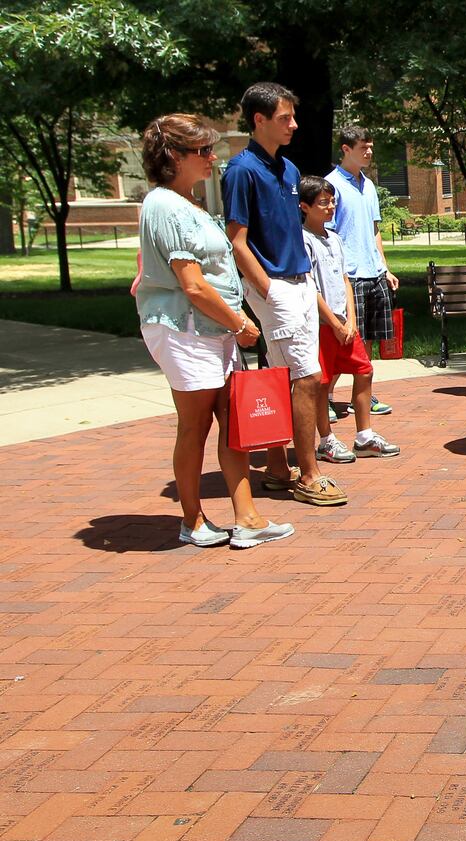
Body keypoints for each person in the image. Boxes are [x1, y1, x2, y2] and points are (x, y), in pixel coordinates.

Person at [135, 113, 293, 548]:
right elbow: (193, 285)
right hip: (188, 331)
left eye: (210, 149)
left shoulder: (187, 202)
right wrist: (240, 322)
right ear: (172, 156)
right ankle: (194, 521)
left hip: (210, 330)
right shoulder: (165, 204)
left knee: (233, 420)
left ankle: (247, 518)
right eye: (201, 151)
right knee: (196, 425)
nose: (211, 158)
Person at [224, 81, 347, 506]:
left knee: (287, 378)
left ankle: (278, 469)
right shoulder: (241, 170)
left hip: (300, 282)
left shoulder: (290, 170)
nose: (294, 124)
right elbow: (237, 241)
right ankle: (309, 475)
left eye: (293, 116)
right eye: (284, 118)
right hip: (276, 287)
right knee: (307, 378)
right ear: (259, 120)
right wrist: (268, 290)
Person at [299, 175, 401, 463]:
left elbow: (344, 280)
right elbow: (311, 287)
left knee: (364, 370)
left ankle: (364, 436)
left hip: (345, 322)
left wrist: (351, 320)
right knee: (321, 383)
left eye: (332, 201)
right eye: (323, 203)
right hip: (321, 325)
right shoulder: (303, 240)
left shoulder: (335, 239)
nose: (330, 207)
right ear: (305, 206)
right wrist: (332, 322)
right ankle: (326, 440)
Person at [323, 127, 398, 419]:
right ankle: (326, 396)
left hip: (374, 272)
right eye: (363, 147)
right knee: (343, 339)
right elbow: (326, 233)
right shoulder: (330, 186)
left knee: (367, 340)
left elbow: (375, 229)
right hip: (349, 274)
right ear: (345, 149)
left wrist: (385, 267)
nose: (369, 152)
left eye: (370, 147)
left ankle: (361, 396)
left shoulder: (368, 185)